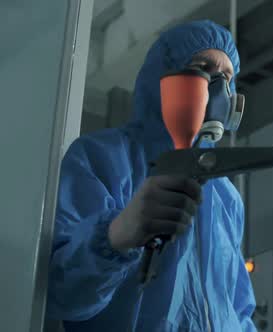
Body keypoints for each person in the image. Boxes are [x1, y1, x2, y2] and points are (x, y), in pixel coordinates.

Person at [46, 20, 256, 332]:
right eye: (202, 68)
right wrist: (115, 237)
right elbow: (63, 294)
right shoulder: (101, 157)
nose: (218, 88)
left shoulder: (226, 197)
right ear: (164, 78)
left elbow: (238, 309)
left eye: (226, 77)